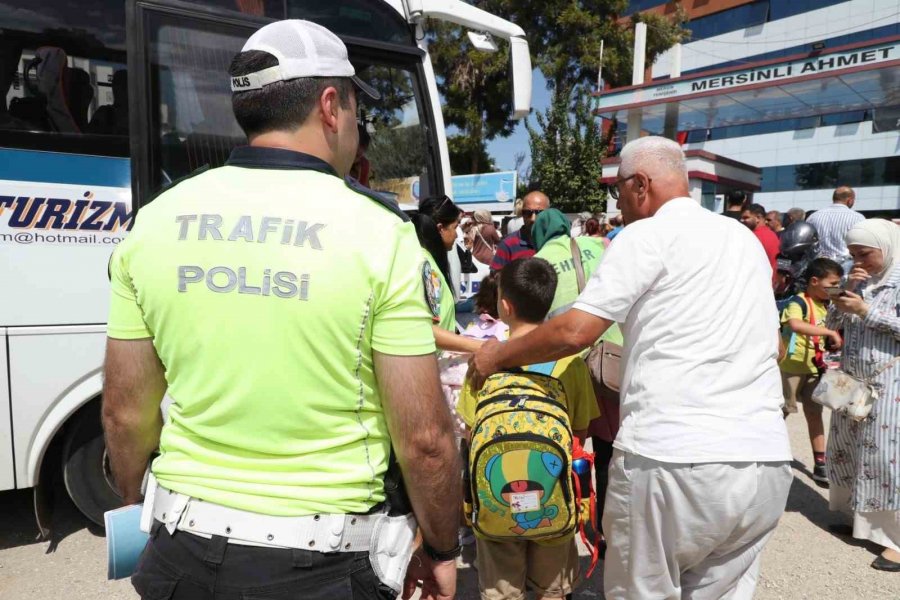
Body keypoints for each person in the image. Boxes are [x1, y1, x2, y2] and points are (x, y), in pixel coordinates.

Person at [101, 20, 460, 600]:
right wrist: (443, 547)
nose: (357, 125)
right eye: (354, 107)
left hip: (180, 553)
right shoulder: (381, 233)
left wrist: (132, 499)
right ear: (328, 106)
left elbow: (123, 412)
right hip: (321, 568)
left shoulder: (156, 220)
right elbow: (423, 437)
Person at [470, 136, 793, 600]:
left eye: (618, 191)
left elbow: (575, 332)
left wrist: (495, 355)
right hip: (763, 463)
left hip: (673, 460)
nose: (617, 204)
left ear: (640, 184)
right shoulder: (743, 239)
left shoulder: (647, 236)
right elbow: (775, 349)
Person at [457, 257, 598, 600]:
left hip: (495, 503)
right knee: (552, 590)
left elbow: (470, 436)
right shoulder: (570, 364)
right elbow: (577, 435)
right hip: (553, 497)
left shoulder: (484, 364)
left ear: (503, 306)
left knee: (502, 591)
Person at [826, 219, 900, 572]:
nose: (858, 260)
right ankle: (857, 519)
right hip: (851, 381)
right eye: (853, 254)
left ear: (885, 248)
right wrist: (846, 291)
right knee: (846, 449)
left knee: (887, 458)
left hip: (889, 384)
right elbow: (831, 324)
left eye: (864, 254)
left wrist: (867, 311)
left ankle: (896, 541)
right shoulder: (857, 278)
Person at [779, 258, 844, 486]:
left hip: (816, 369)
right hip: (792, 368)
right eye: (832, 284)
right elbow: (796, 325)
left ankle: (820, 463)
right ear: (814, 281)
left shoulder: (829, 304)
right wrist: (828, 332)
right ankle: (763, 452)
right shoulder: (799, 302)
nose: (836, 289)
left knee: (814, 414)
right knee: (781, 411)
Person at [412, 196, 483, 354]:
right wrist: (479, 347)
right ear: (440, 228)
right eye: (454, 227)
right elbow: (426, 328)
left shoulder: (425, 261)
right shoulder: (425, 268)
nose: (457, 235)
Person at [490, 190, 550, 272]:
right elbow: (494, 279)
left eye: (539, 212)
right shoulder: (507, 245)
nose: (533, 218)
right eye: (527, 213)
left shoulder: (557, 242)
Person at [807, 186, 865, 262]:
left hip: (819, 265)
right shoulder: (858, 218)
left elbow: (807, 242)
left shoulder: (813, 217)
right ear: (850, 200)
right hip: (846, 265)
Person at [742, 202, 780, 282]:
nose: (742, 220)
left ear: (758, 218)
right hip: (772, 282)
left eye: (746, 218)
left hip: (760, 282)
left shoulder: (753, 237)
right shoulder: (772, 234)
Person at [348, 122, 371, 186]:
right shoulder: (336, 163)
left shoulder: (364, 164)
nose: (360, 150)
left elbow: (366, 189)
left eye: (363, 146)